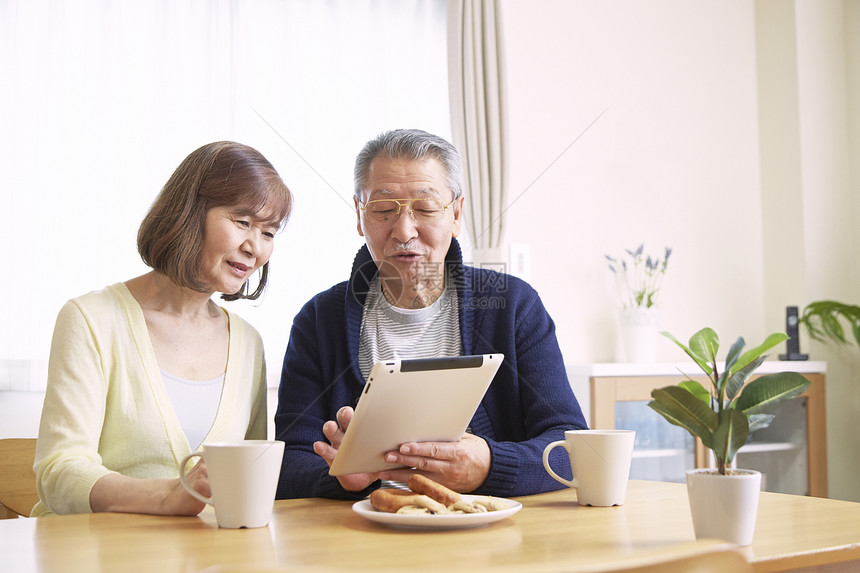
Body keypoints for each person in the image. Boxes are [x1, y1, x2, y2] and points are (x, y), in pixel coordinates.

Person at [275, 129, 586, 500]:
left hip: (488, 538)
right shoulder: (318, 321)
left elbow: (570, 448)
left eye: (424, 208)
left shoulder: (513, 305)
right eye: (384, 210)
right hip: (364, 541)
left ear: (455, 214)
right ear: (360, 216)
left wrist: (489, 464)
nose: (404, 231)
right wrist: (340, 474)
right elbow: (287, 463)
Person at [32, 141, 292, 516]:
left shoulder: (248, 343)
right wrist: (169, 496)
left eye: (269, 232)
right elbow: (59, 472)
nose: (255, 248)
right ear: (189, 213)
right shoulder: (90, 318)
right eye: (243, 222)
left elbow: (245, 481)